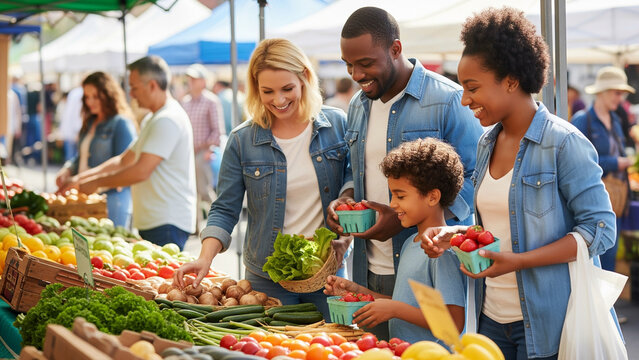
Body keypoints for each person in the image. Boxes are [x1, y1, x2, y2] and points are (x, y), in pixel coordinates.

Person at [420, 8, 618, 359]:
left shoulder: (563, 143)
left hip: (548, 322)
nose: (464, 100)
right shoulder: (486, 143)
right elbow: (499, 225)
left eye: (472, 87)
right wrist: (457, 234)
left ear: (510, 80)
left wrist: (519, 261)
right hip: (490, 319)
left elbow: (600, 230)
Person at [326, 6, 483, 338]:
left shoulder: (448, 100)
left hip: (428, 264)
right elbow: (356, 170)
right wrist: (346, 199)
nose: (356, 74)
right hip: (368, 268)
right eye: (348, 65)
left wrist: (404, 221)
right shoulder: (357, 105)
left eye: (366, 63)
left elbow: (474, 179)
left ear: (396, 49)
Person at [173, 39, 352, 319]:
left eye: (287, 89)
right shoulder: (243, 140)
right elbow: (224, 208)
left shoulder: (336, 125)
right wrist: (204, 257)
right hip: (266, 279)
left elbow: (352, 187)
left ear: (304, 77)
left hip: (327, 273)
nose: (278, 101)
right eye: (267, 91)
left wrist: (346, 235)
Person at [325, 138, 466, 343]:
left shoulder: (442, 251)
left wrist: (395, 310)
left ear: (433, 197)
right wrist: (357, 292)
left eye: (400, 197)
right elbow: (406, 304)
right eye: (392, 195)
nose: (392, 204)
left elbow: (453, 322)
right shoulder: (411, 243)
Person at [60, 56, 197, 249]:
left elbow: (140, 170)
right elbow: (124, 159)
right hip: (156, 220)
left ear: (152, 85)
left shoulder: (168, 119)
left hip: (167, 222)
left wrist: (96, 183)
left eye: (134, 87)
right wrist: (82, 179)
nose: (131, 94)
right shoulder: (153, 118)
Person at [572, 66, 635, 273]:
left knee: (609, 258)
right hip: (591, 200)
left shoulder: (616, 120)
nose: (621, 98)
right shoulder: (582, 120)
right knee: (595, 261)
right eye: (617, 93)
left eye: (622, 93)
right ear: (602, 91)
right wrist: (616, 163)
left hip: (615, 199)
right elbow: (576, 162)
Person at [55, 72, 137, 228]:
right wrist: (68, 170)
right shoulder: (90, 121)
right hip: (86, 200)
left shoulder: (121, 124)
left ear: (108, 94)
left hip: (112, 202)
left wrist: (86, 181)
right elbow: (82, 156)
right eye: (87, 97)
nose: (90, 101)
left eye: (95, 96)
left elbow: (125, 165)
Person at [181, 64, 224, 214]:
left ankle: (219, 221)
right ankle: (196, 228)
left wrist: (209, 150)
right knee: (191, 192)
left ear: (203, 82)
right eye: (190, 79)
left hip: (202, 153)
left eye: (194, 79)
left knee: (204, 191)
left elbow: (218, 130)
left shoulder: (211, 101)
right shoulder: (185, 101)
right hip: (188, 153)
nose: (190, 82)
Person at [58, 86, 84, 162]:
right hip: (75, 130)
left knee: (71, 157)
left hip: (72, 130)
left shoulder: (74, 93)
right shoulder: (79, 94)